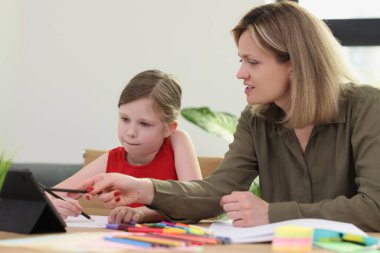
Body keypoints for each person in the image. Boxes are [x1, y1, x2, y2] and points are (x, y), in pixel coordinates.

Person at [71, 1, 380, 231]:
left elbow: (374, 208)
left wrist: (272, 214)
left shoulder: (367, 107)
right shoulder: (256, 118)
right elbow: (216, 192)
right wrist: (144, 189)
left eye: (253, 62)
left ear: (296, 64)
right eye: (240, 60)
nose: (240, 73)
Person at [51, 69, 202, 224]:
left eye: (144, 124)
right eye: (125, 119)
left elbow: (195, 203)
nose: (130, 132)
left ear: (169, 128)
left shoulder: (177, 141)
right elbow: (52, 194)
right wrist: (52, 204)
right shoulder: (111, 159)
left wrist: (143, 213)